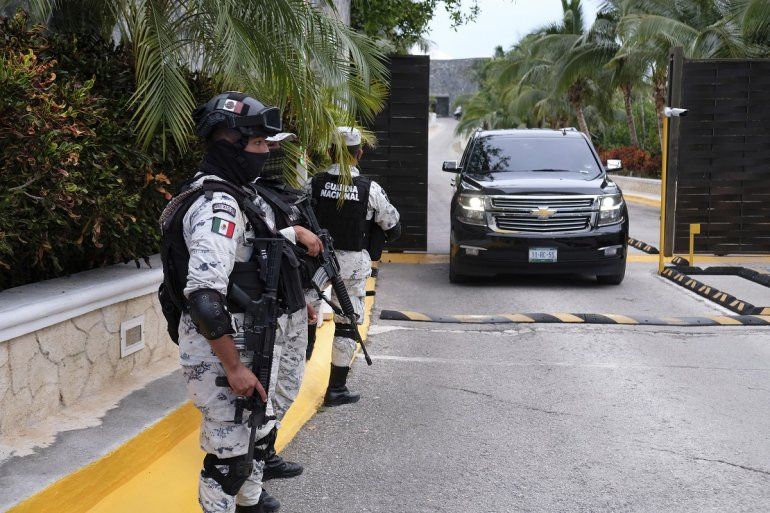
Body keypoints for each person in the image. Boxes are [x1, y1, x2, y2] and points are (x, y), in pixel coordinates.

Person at [159, 92, 321, 513]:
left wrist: (292, 295)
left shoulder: (239, 194)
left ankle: (249, 504)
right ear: (229, 145)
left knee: (252, 436)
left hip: (252, 335)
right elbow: (204, 296)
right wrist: (233, 366)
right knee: (228, 462)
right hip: (225, 350)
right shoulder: (219, 204)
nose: (267, 153)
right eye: (259, 145)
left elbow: (252, 252)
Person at [307, 126, 401, 406]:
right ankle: (336, 389)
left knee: (303, 314)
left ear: (328, 152)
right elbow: (392, 225)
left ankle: (301, 359)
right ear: (358, 153)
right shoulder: (370, 189)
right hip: (351, 265)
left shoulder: (313, 182)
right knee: (347, 324)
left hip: (315, 261)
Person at [252, 133, 318, 481]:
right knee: (265, 388)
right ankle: (256, 463)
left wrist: (301, 299)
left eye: (279, 147)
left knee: (287, 385)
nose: (275, 153)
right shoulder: (244, 193)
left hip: (290, 304)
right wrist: (293, 232)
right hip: (264, 313)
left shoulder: (286, 195)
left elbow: (289, 260)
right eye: (268, 145)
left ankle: (266, 452)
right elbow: (252, 244)